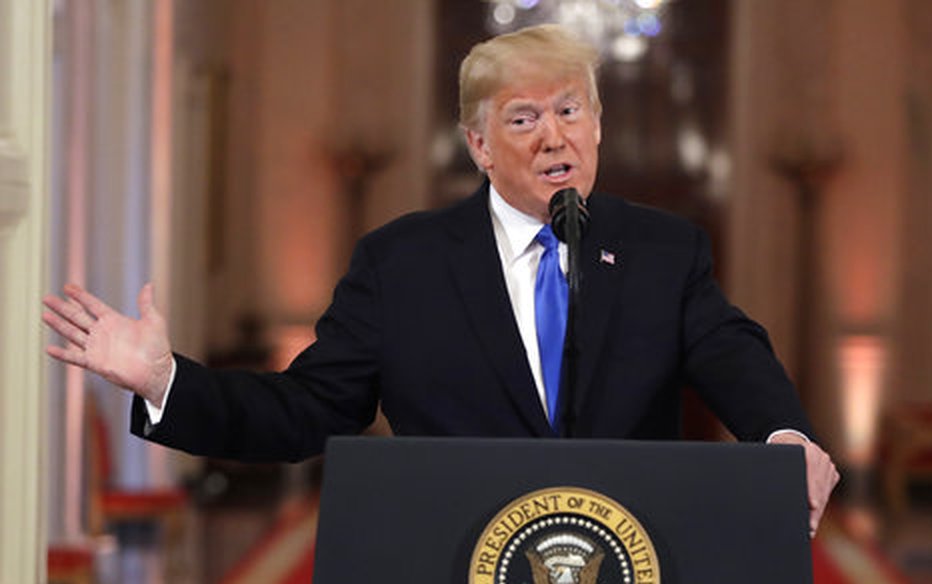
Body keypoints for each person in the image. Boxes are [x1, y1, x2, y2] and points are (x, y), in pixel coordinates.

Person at [43, 24, 838, 536]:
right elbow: (307, 411)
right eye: (523, 118)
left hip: (625, 546)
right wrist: (163, 381)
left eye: (570, 111)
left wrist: (784, 436)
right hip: (458, 548)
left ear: (597, 125)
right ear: (479, 144)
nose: (553, 136)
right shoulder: (402, 264)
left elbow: (731, 350)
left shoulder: (663, 248)